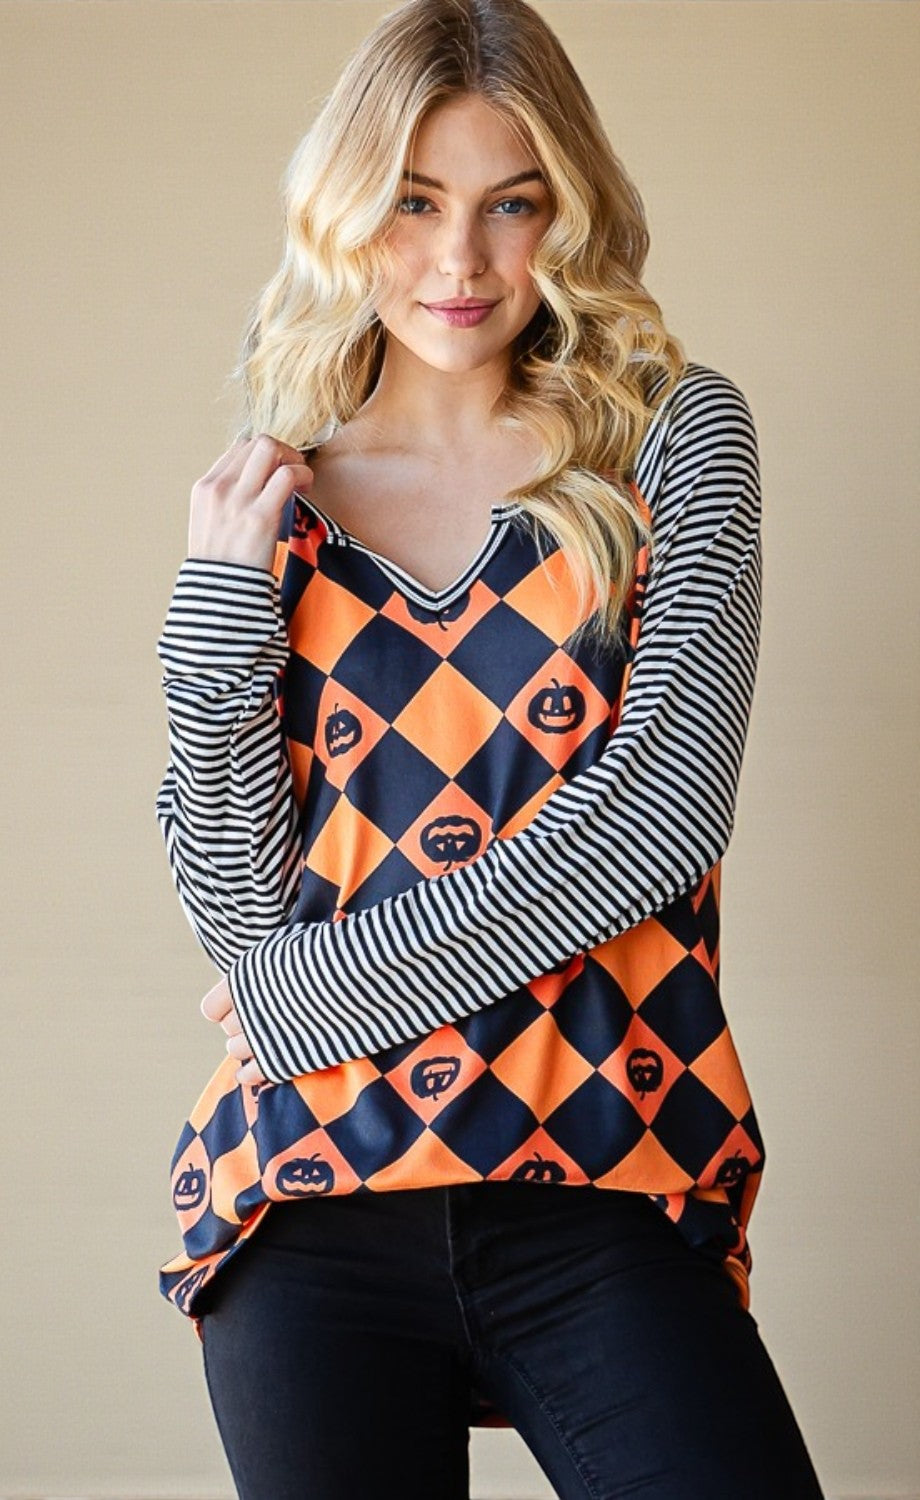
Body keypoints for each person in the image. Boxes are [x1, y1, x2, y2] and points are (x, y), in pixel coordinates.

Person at [153, 1, 826, 1495]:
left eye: (511, 204)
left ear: (570, 212)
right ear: (344, 213)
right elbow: (235, 906)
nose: (460, 263)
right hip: (310, 1193)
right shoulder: (277, 491)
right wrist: (212, 619)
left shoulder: (669, 439)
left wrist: (300, 993)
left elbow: (658, 819)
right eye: (412, 203)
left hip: (595, 1159)